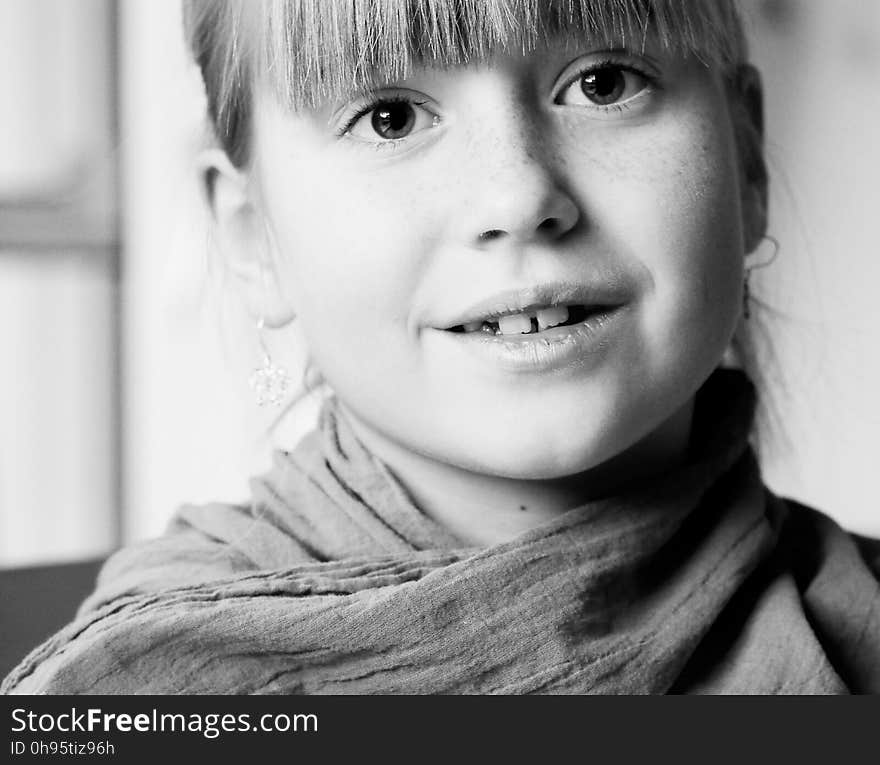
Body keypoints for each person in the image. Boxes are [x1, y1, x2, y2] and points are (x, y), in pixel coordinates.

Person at [4, 0, 879, 695]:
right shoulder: (148, 700)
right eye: (389, 117)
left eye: (606, 82)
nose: (519, 193)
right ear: (251, 238)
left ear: (747, 157)